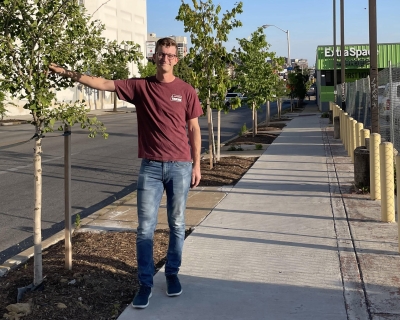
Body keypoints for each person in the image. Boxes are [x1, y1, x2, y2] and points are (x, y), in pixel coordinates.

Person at [49, 37, 202, 309]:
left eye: (170, 54)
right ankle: (145, 284)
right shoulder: (140, 87)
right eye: (161, 54)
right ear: (153, 57)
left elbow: (193, 129)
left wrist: (196, 164)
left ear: (176, 59)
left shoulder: (186, 91)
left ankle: (172, 274)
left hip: (180, 166)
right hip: (151, 167)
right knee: (145, 229)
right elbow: (103, 83)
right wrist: (66, 72)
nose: (165, 58)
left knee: (177, 224)